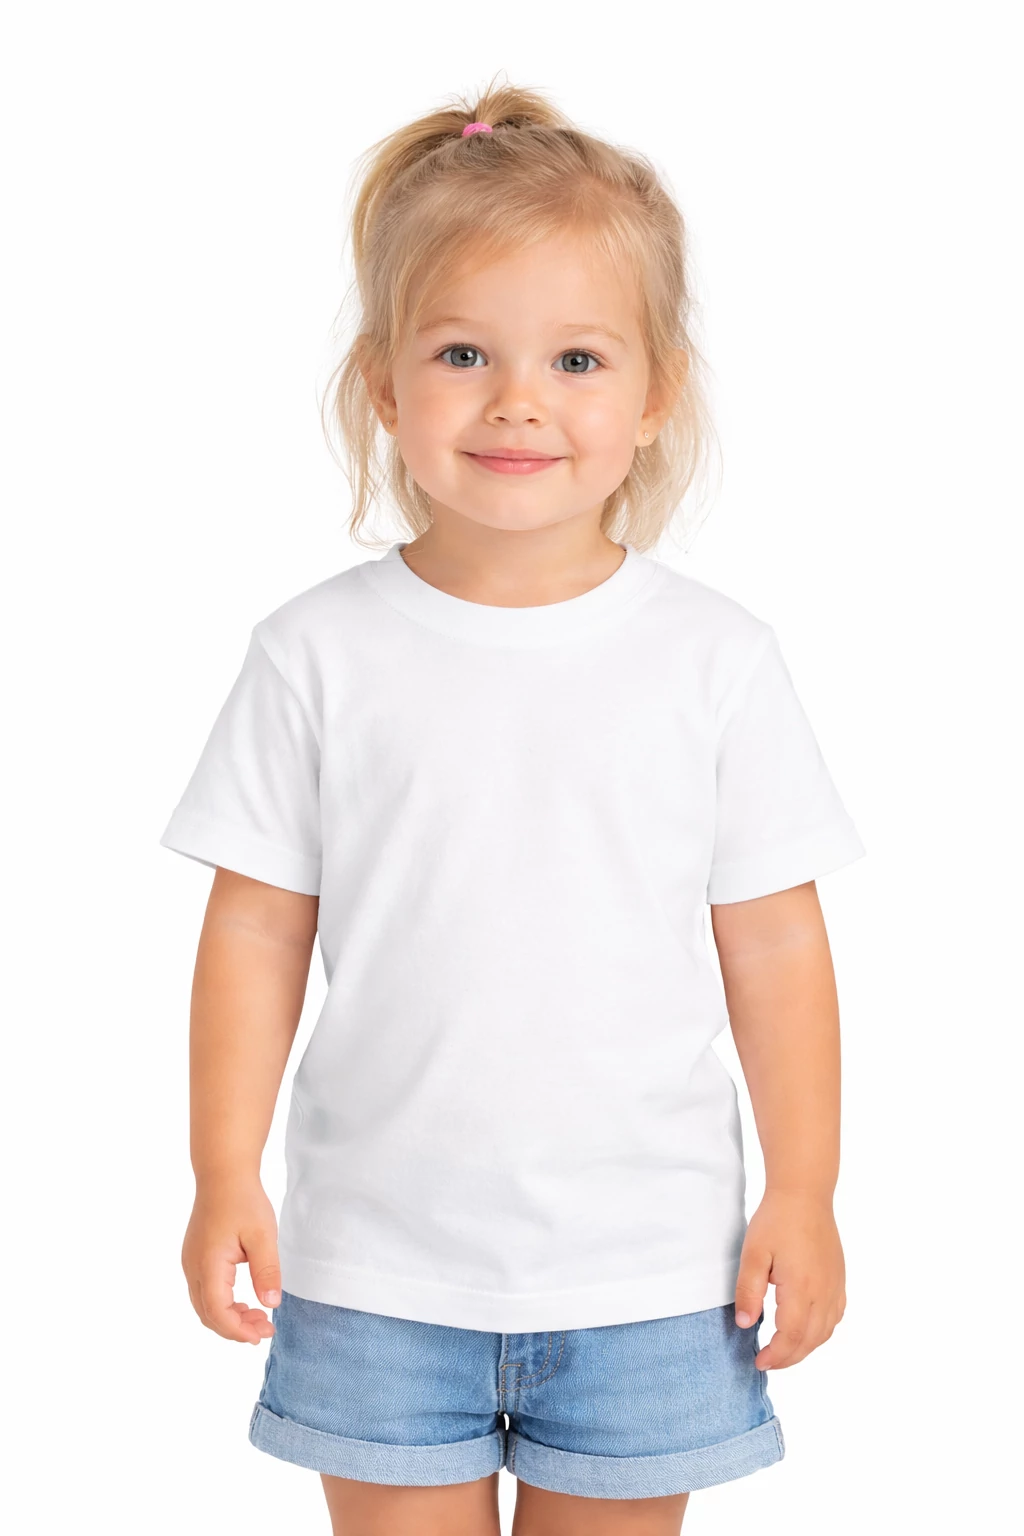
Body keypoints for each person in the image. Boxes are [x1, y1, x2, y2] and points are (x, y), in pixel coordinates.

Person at [160, 78, 866, 1536]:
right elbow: (255, 932)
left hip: (651, 1274)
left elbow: (777, 946)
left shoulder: (717, 661)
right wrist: (222, 1168)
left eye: (578, 357)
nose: (519, 399)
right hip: (375, 1270)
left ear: (657, 393)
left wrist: (806, 1189)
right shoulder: (314, 654)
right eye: (464, 352)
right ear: (384, 383)